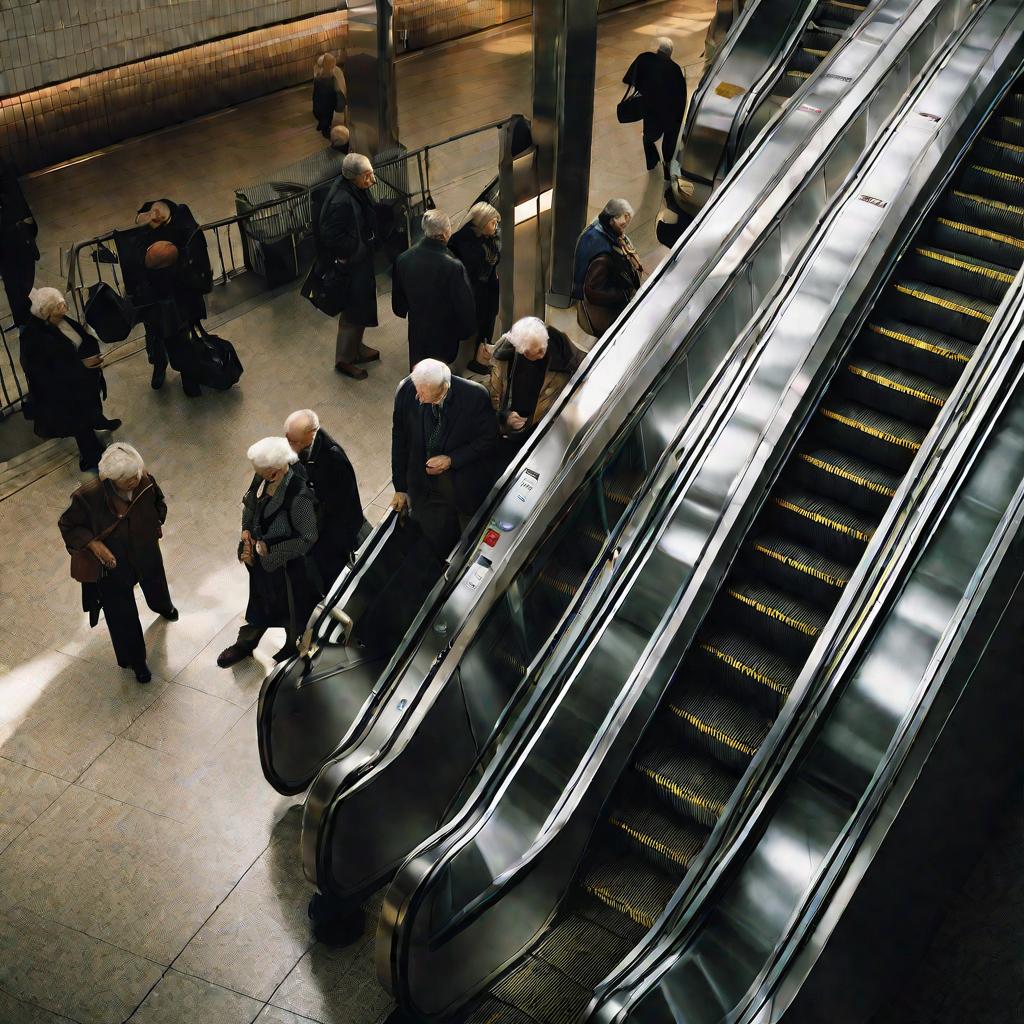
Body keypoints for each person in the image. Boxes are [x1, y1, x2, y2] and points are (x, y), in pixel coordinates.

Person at [58, 443, 176, 684]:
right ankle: (136, 660)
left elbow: (159, 501)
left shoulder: (144, 479)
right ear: (110, 479)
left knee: (155, 581)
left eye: (135, 475)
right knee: (121, 613)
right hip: (112, 564)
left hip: (145, 551)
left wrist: (155, 521)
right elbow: (68, 525)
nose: (133, 481)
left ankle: (163, 606)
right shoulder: (87, 497)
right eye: (126, 479)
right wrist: (93, 544)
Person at [217, 437, 322, 668]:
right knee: (259, 601)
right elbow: (250, 502)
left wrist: (271, 549)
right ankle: (246, 643)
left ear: (274, 472)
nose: (257, 475)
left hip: (286, 567)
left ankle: (291, 647)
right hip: (261, 561)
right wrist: (246, 529)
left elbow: (307, 538)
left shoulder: (299, 494)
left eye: (261, 473)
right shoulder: (265, 474)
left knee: (289, 610)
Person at [390, 359, 498, 554]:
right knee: (429, 541)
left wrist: (451, 460)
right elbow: (399, 438)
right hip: (423, 487)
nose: (419, 398)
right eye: (418, 390)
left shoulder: (474, 397)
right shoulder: (407, 390)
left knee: (464, 537)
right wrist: (400, 486)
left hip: (460, 487)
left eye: (424, 394)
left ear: (444, 387)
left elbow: (489, 439)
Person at [19, 287, 121, 471]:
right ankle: (92, 457)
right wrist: (82, 366)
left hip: (83, 379)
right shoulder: (33, 339)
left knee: (91, 405)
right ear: (46, 314)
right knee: (81, 424)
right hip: (65, 391)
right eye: (59, 309)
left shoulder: (59, 320)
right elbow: (45, 372)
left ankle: (98, 420)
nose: (64, 311)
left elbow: (80, 338)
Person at [285, 409, 368, 590]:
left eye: (294, 441)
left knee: (332, 570)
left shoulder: (333, 459)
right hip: (322, 524)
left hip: (335, 529)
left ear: (309, 436)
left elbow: (338, 506)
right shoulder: (306, 449)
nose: (290, 445)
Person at [134, 199, 209, 393]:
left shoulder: (183, 227)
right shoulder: (145, 231)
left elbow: (195, 257)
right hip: (155, 299)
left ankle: (189, 376)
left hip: (179, 297)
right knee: (155, 337)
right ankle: (159, 365)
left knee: (183, 340)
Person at [318, 153, 380, 380]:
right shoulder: (341, 201)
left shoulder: (355, 189)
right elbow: (331, 236)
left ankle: (357, 347)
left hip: (360, 261)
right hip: (352, 265)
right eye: (367, 175)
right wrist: (355, 251)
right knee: (352, 312)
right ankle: (344, 358)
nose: (371, 179)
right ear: (355, 177)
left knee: (361, 307)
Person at [488, 317, 584, 464]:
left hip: (542, 432)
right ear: (518, 349)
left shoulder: (565, 355)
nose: (539, 355)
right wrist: (505, 417)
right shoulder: (505, 354)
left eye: (542, 349)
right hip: (509, 433)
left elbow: (583, 386)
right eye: (528, 353)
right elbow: (493, 395)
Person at [392, 210, 476, 370]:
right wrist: (466, 330)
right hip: (444, 332)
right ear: (446, 232)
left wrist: (402, 309)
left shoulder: (404, 258)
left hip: (417, 327)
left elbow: (399, 298)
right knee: (439, 374)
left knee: (418, 369)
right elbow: (464, 304)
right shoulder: (453, 266)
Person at [572, 198, 644, 339]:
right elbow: (593, 291)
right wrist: (624, 295)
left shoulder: (604, 230)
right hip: (605, 314)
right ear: (612, 220)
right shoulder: (603, 256)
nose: (625, 229)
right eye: (623, 224)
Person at [623, 37, 688, 178]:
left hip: (652, 111)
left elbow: (629, 79)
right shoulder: (675, 69)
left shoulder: (645, 59)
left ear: (657, 50)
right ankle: (667, 163)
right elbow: (681, 96)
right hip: (670, 113)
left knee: (648, 137)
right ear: (670, 53)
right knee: (669, 140)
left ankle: (652, 162)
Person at [449, 201, 502, 375]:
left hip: (487, 288)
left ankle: (481, 355)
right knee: (475, 323)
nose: (496, 227)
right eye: (492, 223)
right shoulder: (464, 241)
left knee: (487, 321)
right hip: (471, 290)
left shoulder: (489, 237)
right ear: (481, 222)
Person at [0, 163, 38, 328]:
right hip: (10, 239)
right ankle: (27, 325)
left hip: (16, 236)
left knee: (21, 285)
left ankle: (28, 323)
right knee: (18, 286)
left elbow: (15, 194)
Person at [312, 52, 348, 138]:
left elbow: (339, 89)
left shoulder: (333, 75)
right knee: (324, 115)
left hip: (327, 102)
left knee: (326, 116)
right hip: (324, 102)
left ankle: (324, 125)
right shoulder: (320, 78)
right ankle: (324, 127)